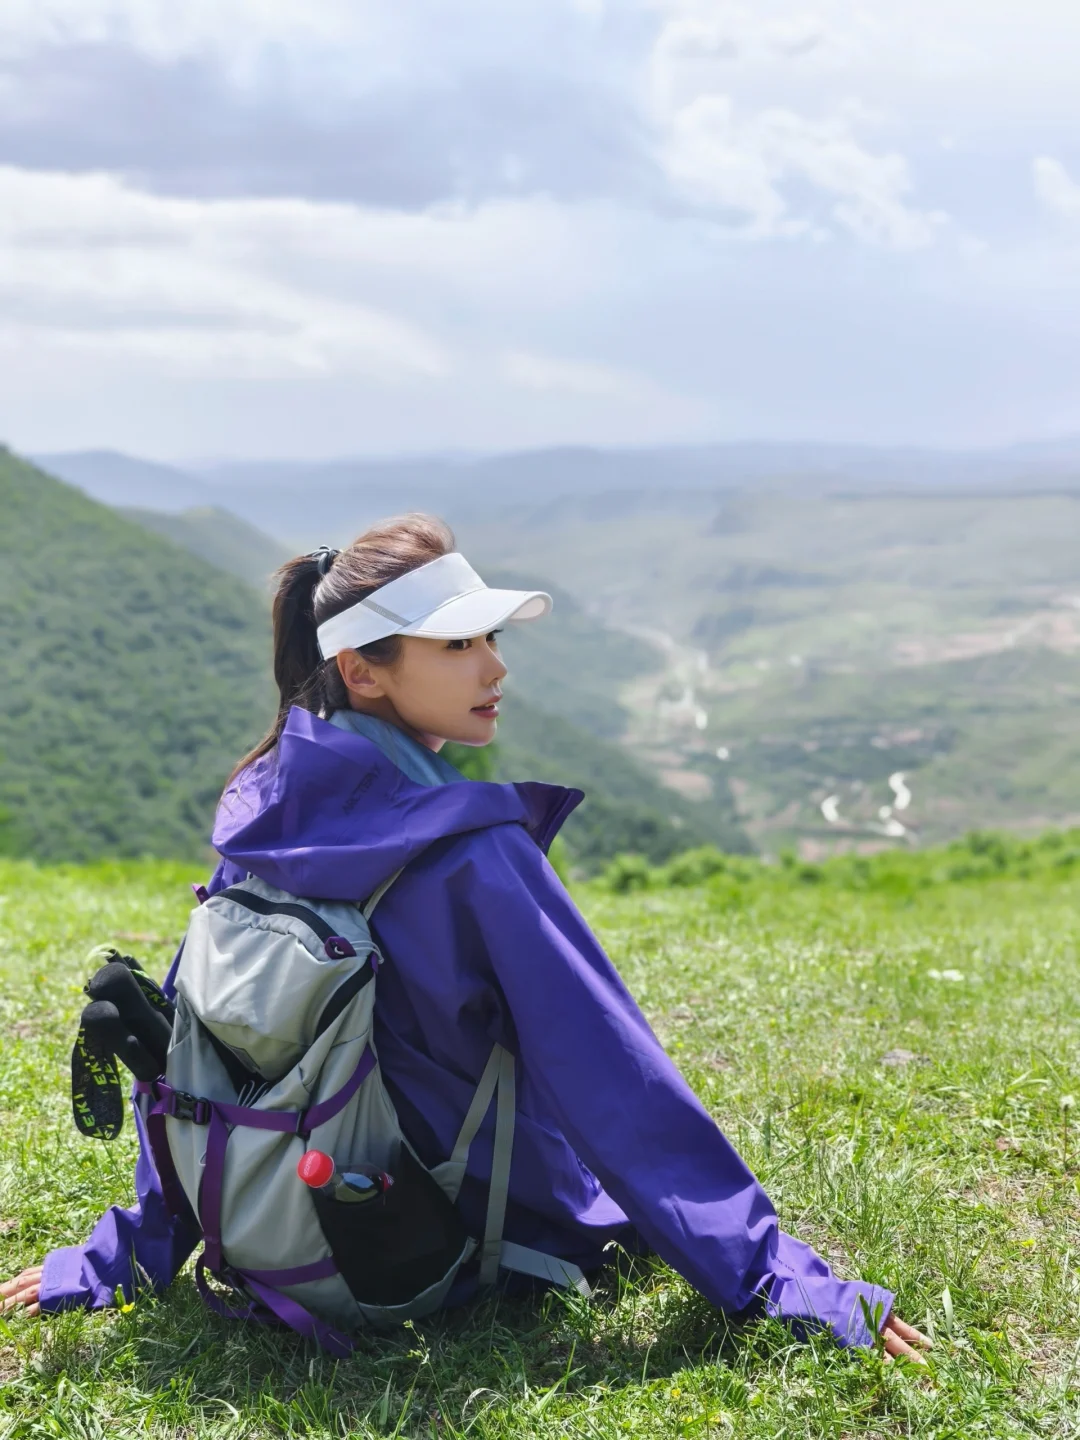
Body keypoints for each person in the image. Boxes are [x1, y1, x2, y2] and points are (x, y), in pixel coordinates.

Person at [2, 514, 928, 1361]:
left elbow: (204, 1060)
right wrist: (778, 1279)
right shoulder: (477, 856)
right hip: (453, 1246)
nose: (495, 667)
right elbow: (612, 1080)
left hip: (281, 1225)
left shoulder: (265, 814)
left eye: (490, 637)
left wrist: (125, 1254)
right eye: (456, 644)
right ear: (363, 671)